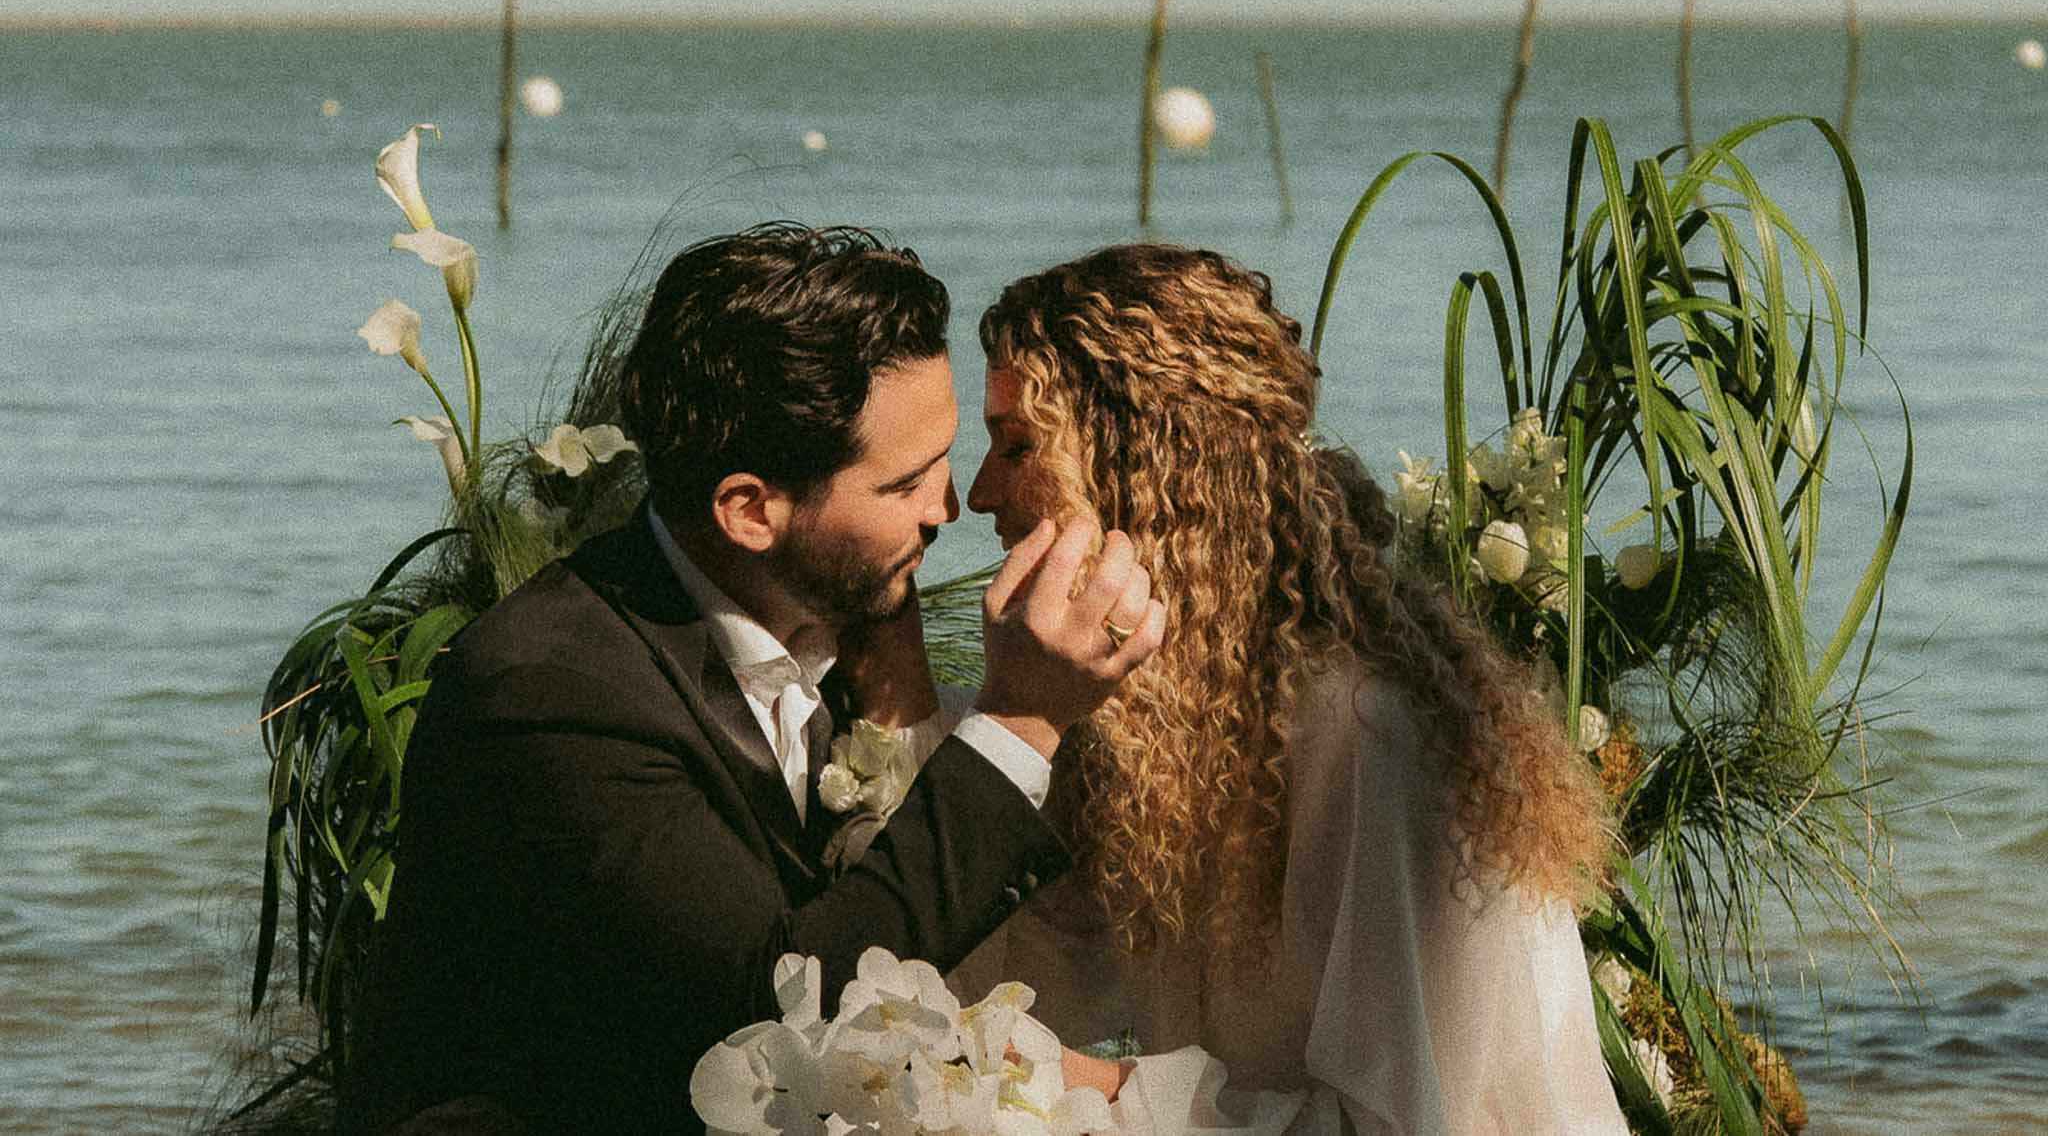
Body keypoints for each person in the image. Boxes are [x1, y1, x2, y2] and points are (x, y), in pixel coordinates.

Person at [338, 224, 1165, 1136]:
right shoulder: (552, 694)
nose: (949, 507)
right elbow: (787, 997)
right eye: (903, 486)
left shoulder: (825, 602)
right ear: (749, 511)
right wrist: (1024, 716)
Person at [955, 242, 1629, 1136]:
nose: (977, 494)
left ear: (1147, 469)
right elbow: (1015, 990)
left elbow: (1401, 1128)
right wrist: (966, 707)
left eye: (1017, 446)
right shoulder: (1153, 718)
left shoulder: (1367, 733)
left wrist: (1115, 1091)